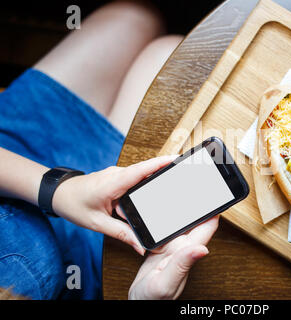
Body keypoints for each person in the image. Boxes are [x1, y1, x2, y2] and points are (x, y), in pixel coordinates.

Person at [0, 1, 218, 300]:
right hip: (79, 264)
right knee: (171, 55)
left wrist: (60, 190)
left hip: (17, 165)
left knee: (135, 16)